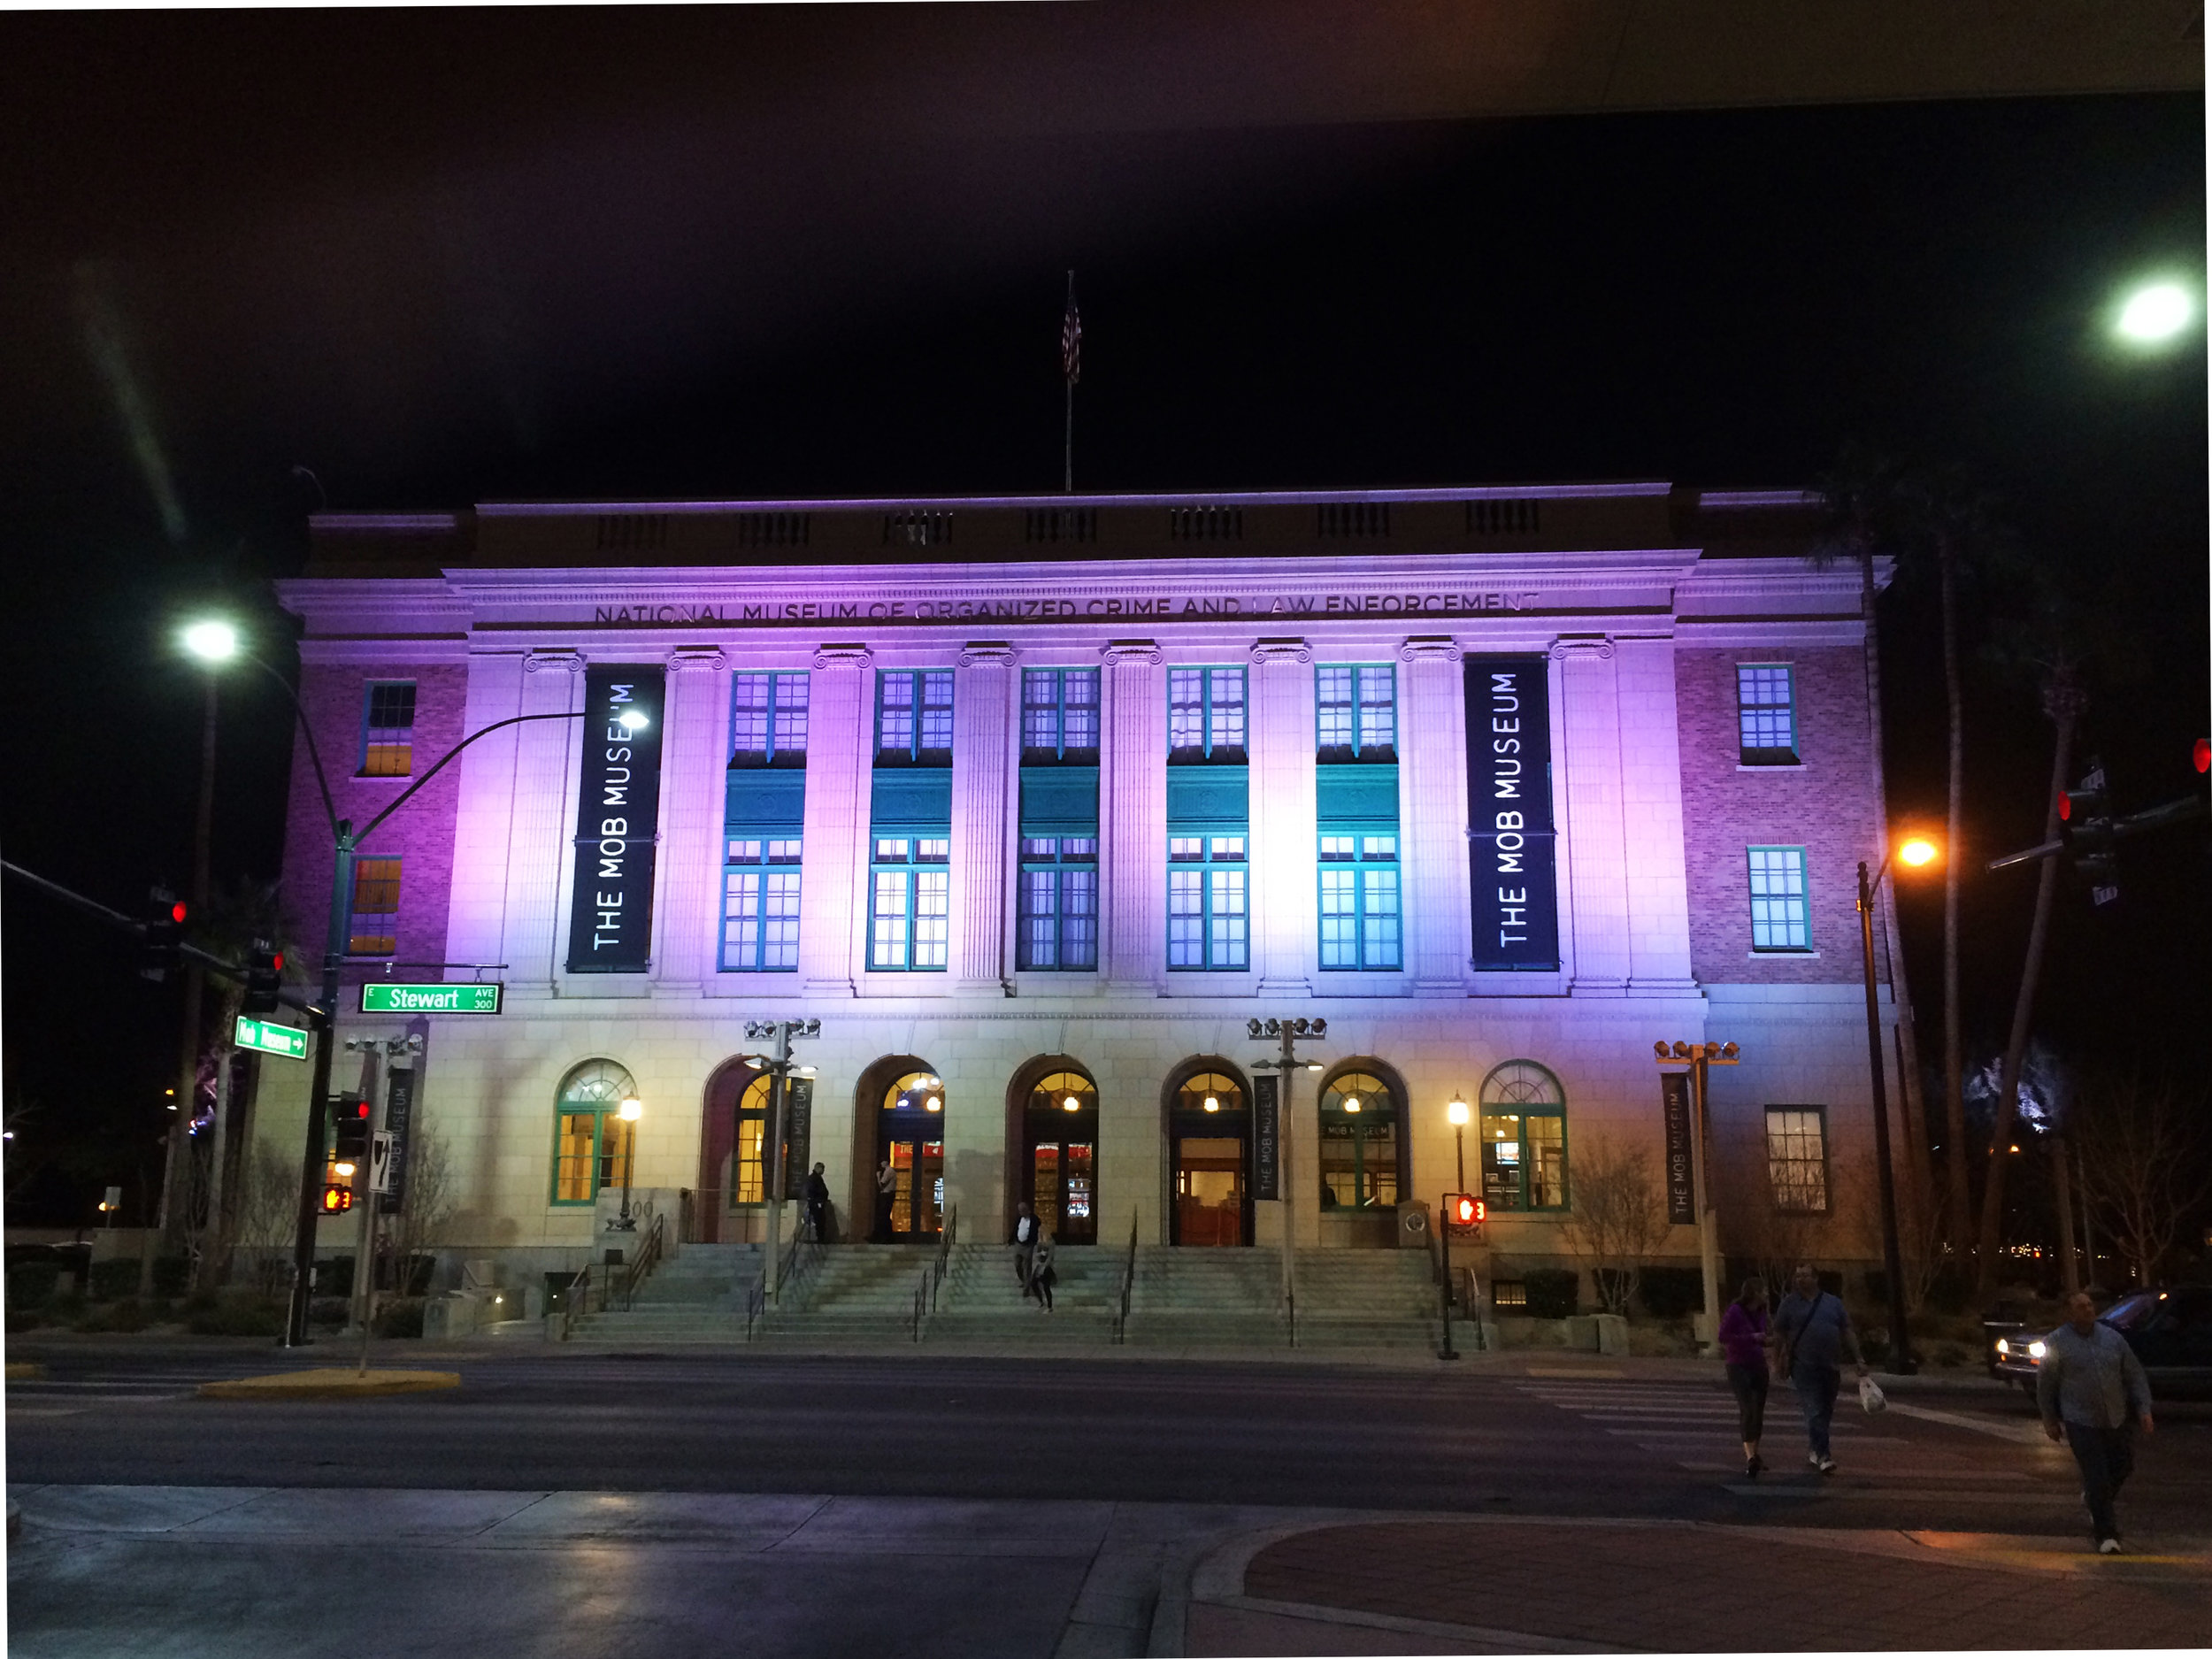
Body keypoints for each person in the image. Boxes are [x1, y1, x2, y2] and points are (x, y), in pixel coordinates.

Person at [2038, 1288, 2154, 1554]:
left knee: (2123, 1464)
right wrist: (2050, 1419)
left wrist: (2143, 1408)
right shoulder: (2057, 1343)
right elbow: (2046, 1384)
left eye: (2090, 1305)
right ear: (2069, 1313)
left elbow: (2134, 1375)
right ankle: (2106, 1535)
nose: (2088, 1310)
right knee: (2097, 1475)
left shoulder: (2113, 1340)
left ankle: (2093, 1499)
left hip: (2115, 1417)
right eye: (2080, 1307)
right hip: (2081, 1420)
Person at [1770, 1263, 1866, 1474]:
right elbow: (1779, 1333)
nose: (1800, 1280)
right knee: (1814, 1410)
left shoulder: (1832, 1303)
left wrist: (1859, 1358)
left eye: (1805, 1276)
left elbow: (1847, 1329)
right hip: (1803, 1366)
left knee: (1825, 1411)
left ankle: (1815, 1448)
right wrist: (1776, 1360)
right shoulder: (1789, 1304)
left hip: (1830, 1365)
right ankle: (1824, 1455)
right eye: (1797, 1276)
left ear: (1816, 1278)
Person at [1717, 1277, 1772, 1477]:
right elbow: (1723, 1336)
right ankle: (1749, 1456)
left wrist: (1768, 1341)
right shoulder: (1735, 1311)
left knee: (1758, 1410)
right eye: (1764, 1290)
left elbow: (1761, 1335)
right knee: (1748, 1407)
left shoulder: (1761, 1312)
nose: (1767, 1294)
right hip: (1738, 1365)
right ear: (1755, 1292)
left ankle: (1756, 1453)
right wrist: (1750, 1338)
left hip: (1758, 1364)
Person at [1026, 1229, 1057, 1312]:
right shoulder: (1039, 1243)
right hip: (1039, 1265)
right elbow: (1035, 1254)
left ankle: (1050, 1306)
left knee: (1046, 1287)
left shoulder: (1051, 1243)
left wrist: (1045, 1266)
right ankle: (1041, 1302)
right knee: (1034, 1284)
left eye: (1040, 1233)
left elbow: (1050, 1257)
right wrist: (1040, 1254)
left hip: (1047, 1267)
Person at [1011, 1200, 1041, 1289]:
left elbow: (1036, 1231)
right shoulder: (1019, 1219)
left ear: (1026, 1210)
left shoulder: (1034, 1219)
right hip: (1019, 1244)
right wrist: (1011, 1240)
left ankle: (1027, 1287)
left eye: (1021, 1211)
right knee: (1017, 1264)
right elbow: (1015, 1229)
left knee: (1027, 1266)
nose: (1020, 1213)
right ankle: (1024, 1280)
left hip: (1028, 1245)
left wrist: (1034, 1242)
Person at [803, 1162, 831, 1243]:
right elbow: (815, 1191)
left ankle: (820, 1238)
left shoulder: (816, 1178)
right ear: (818, 1168)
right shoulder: (814, 1178)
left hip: (817, 1202)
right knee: (819, 1221)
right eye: (822, 1169)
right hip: (816, 1203)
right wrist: (818, 1201)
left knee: (820, 1221)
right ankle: (820, 1238)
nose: (823, 1171)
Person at [872, 1158, 896, 1243]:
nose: (880, 1164)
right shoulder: (890, 1171)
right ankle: (885, 1236)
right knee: (885, 1216)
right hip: (889, 1194)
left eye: (882, 1162)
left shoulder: (888, 1171)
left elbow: (882, 1184)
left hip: (887, 1195)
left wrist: (878, 1177)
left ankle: (886, 1237)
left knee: (884, 1216)